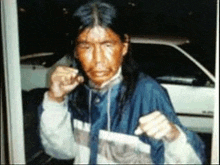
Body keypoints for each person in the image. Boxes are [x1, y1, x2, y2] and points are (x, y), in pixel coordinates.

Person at [38, 1, 205, 164]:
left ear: (124, 46)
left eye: (107, 45)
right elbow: (62, 152)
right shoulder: (77, 91)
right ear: (75, 51)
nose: (98, 60)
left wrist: (173, 136)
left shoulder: (147, 93)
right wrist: (55, 100)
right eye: (86, 47)